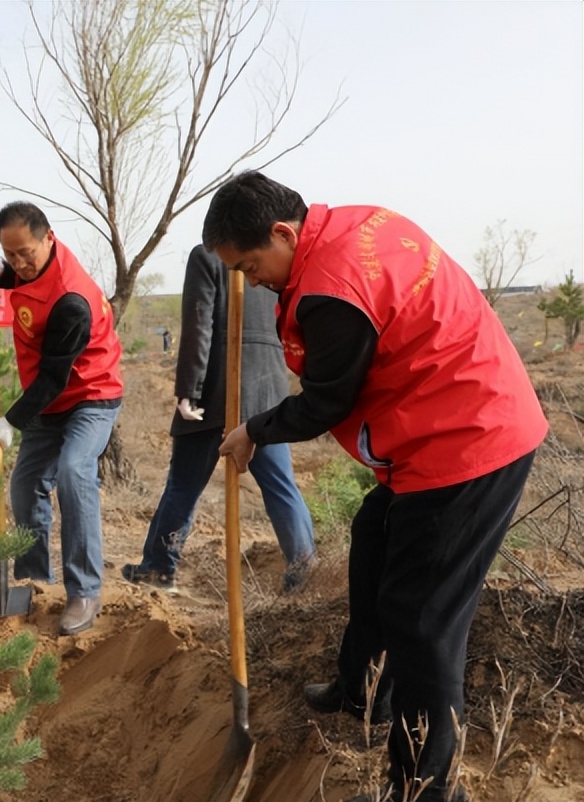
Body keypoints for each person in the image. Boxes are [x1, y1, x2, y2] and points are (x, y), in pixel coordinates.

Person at [206, 171, 546, 802]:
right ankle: (362, 688)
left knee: (422, 620)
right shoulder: (352, 226)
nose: (252, 281)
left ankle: (424, 785)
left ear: (283, 232)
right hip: (440, 423)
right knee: (373, 535)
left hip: (467, 440)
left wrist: (253, 429)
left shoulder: (331, 290)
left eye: (252, 266)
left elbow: (327, 403)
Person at [122, 244, 316, 596]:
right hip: (267, 391)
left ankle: (158, 569)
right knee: (281, 486)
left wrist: (189, 391)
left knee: (183, 484)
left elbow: (199, 325)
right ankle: (305, 572)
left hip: (216, 391)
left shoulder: (207, 256)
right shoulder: (273, 258)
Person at [0, 201, 123, 636]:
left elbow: (55, 376)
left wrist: (10, 420)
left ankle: (85, 591)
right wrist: (2, 276)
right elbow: (21, 274)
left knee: (75, 470)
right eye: (10, 254)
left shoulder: (71, 300)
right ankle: (35, 580)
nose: (20, 263)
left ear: (50, 239)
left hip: (90, 394)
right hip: (48, 400)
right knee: (24, 485)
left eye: (27, 254)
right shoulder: (25, 265)